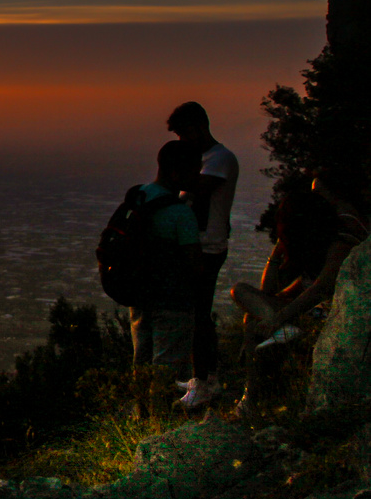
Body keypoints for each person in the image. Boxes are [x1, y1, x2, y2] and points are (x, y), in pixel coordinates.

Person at [231, 171, 368, 410]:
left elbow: (321, 288)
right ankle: (254, 399)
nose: (314, 196)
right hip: (302, 311)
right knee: (241, 294)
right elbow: (272, 291)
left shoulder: (346, 232)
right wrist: (278, 250)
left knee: (253, 324)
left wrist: (279, 318)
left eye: (319, 192)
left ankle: (251, 401)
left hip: (328, 313)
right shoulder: (316, 231)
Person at [167, 102, 238, 410]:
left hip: (207, 247)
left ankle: (203, 383)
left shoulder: (220, 159)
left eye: (184, 134)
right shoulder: (206, 159)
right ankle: (207, 377)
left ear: (198, 128)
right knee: (198, 314)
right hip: (200, 245)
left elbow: (200, 189)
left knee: (198, 317)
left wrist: (166, 173)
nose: (182, 141)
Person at [129, 140, 204, 382]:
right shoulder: (181, 214)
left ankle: (141, 416)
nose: (198, 176)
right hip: (174, 301)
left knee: (142, 361)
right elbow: (194, 262)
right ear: (176, 173)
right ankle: (163, 416)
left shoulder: (139, 197)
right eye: (194, 170)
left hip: (140, 295)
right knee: (169, 370)